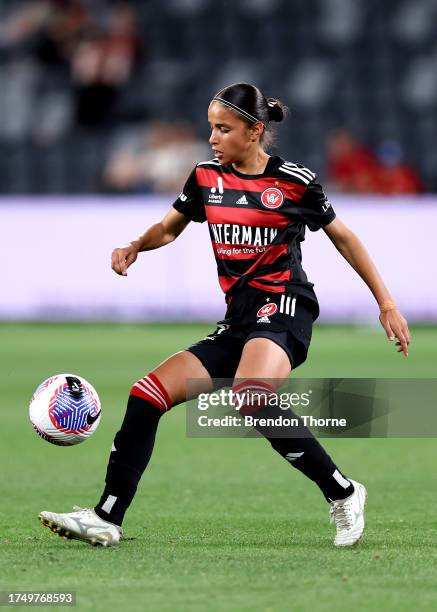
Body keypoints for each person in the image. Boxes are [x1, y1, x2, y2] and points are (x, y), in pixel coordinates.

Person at [39, 83, 410, 548]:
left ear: (254, 131)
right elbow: (170, 227)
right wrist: (136, 245)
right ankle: (107, 517)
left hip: (286, 305)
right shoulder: (205, 177)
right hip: (239, 318)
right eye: (210, 127)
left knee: (250, 394)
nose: (212, 137)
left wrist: (386, 303)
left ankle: (343, 493)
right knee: (146, 395)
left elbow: (345, 239)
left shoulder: (294, 182)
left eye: (223, 128)